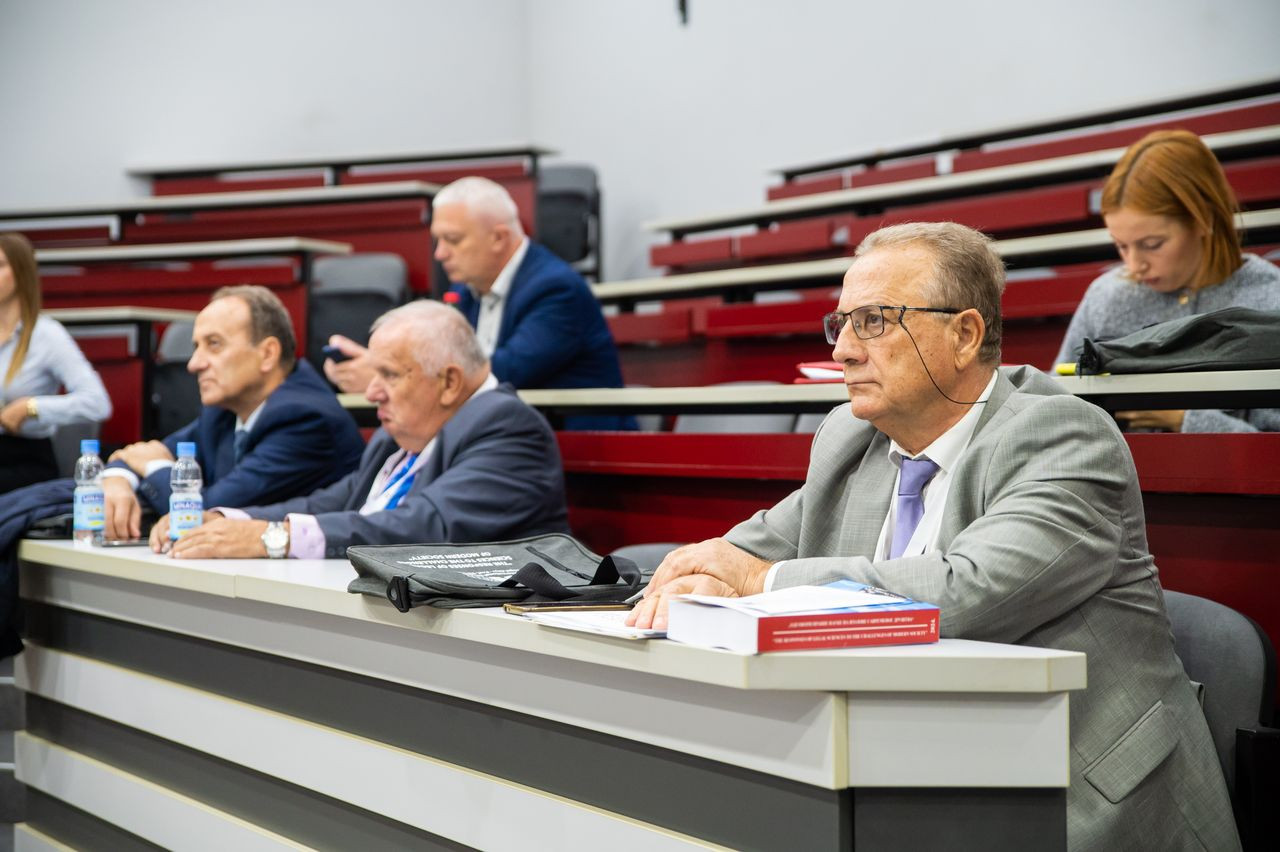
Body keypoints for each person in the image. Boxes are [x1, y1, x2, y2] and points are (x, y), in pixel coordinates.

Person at [630, 222, 1240, 852]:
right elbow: (743, 553)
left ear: (965, 334)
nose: (844, 352)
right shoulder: (854, 437)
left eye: (873, 322)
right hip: (914, 776)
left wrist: (760, 581)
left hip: (1080, 795)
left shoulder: (1061, 434)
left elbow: (972, 591)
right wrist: (701, 580)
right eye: (840, 325)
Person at [151, 299, 569, 558]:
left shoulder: (509, 428)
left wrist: (274, 538)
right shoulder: (400, 434)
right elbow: (331, 502)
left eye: (389, 375)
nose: (371, 393)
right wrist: (225, 518)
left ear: (449, 382)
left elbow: (425, 525)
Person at [324, 176, 630, 429]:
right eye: (437, 240)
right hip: (496, 435)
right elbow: (440, 359)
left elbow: (503, 373)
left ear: (498, 238)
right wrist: (388, 369)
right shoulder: (465, 288)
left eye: (453, 240)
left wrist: (391, 378)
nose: (440, 254)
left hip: (580, 450)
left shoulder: (556, 290)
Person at [1054, 129, 1280, 432]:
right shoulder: (1106, 296)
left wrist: (1184, 418)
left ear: (1203, 219)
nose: (1135, 264)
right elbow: (1053, 404)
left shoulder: (1270, 296)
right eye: (1121, 245)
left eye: (1152, 244)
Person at [99, 285, 364, 540]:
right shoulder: (223, 411)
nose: (194, 364)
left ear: (268, 354)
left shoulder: (307, 419)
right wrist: (117, 479)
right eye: (196, 347)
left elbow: (206, 513)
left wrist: (152, 466)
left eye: (214, 344)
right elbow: (144, 454)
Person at [0, 232, 112, 493]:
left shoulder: (47, 335)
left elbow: (97, 403)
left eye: (1, 265)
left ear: (21, 272)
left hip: (24, 459)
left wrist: (31, 407)